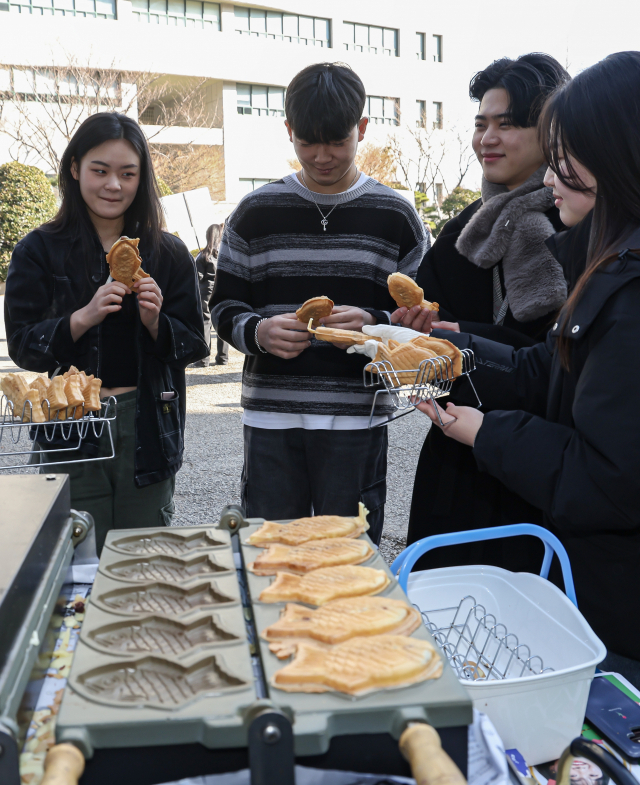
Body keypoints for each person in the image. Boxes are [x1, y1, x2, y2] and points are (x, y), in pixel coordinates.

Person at [418, 51, 640, 685]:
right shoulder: (607, 264)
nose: (551, 178)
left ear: (618, 156)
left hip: (618, 611)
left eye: (565, 159)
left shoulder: (630, 295)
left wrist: (485, 433)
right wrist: (458, 352)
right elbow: (550, 368)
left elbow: (607, 478)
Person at [211, 62, 429, 544]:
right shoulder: (254, 213)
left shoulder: (396, 217)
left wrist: (375, 324)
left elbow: (422, 316)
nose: (323, 155)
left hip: (357, 414)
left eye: (337, 141)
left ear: (362, 129)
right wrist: (257, 332)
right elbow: (224, 306)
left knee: (350, 554)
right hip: (271, 414)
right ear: (289, 131)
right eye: (308, 141)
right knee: (271, 551)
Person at [395, 53, 571, 572]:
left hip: (543, 467)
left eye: (508, 124)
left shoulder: (581, 230)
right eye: (481, 123)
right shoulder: (462, 232)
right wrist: (393, 332)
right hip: (456, 462)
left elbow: (562, 366)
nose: (487, 138)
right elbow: (418, 334)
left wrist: (461, 337)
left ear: (554, 131)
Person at [4, 112, 208, 553]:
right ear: (75, 168)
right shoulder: (39, 250)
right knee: (75, 558)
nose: (113, 185)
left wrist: (156, 323)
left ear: (142, 179)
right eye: (100, 170)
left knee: (143, 559)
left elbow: (195, 343)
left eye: (127, 174)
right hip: (69, 425)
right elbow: (22, 345)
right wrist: (82, 317)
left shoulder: (167, 252)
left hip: (148, 422)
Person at [192, 223, 229, 367]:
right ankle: (223, 358)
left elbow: (197, 278)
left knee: (205, 323)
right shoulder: (223, 255)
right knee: (221, 321)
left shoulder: (203, 256)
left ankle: (203, 359)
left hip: (205, 293)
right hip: (221, 290)